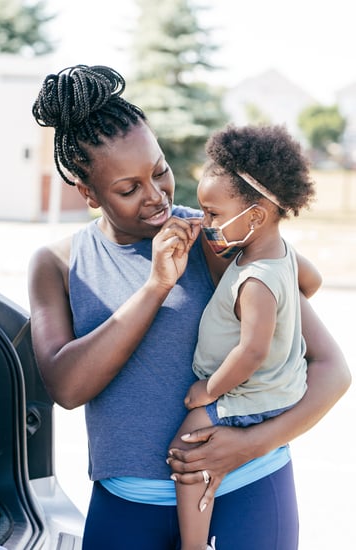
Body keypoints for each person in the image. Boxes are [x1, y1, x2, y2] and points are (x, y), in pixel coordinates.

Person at [29, 64, 351, 550]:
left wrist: (246, 446)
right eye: (128, 188)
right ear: (88, 192)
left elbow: (332, 370)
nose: (158, 198)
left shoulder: (219, 237)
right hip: (126, 503)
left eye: (160, 171)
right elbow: (67, 387)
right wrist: (156, 286)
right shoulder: (57, 264)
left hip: (247, 486)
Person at [167, 124, 321, 550]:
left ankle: (193, 545)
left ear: (254, 216)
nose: (204, 222)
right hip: (275, 386)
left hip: (252, 392)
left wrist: (208, 390)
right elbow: (315, 279)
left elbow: (251, 351)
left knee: (187, 447)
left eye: (213, 214)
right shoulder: (280, 255)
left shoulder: (255, 280)